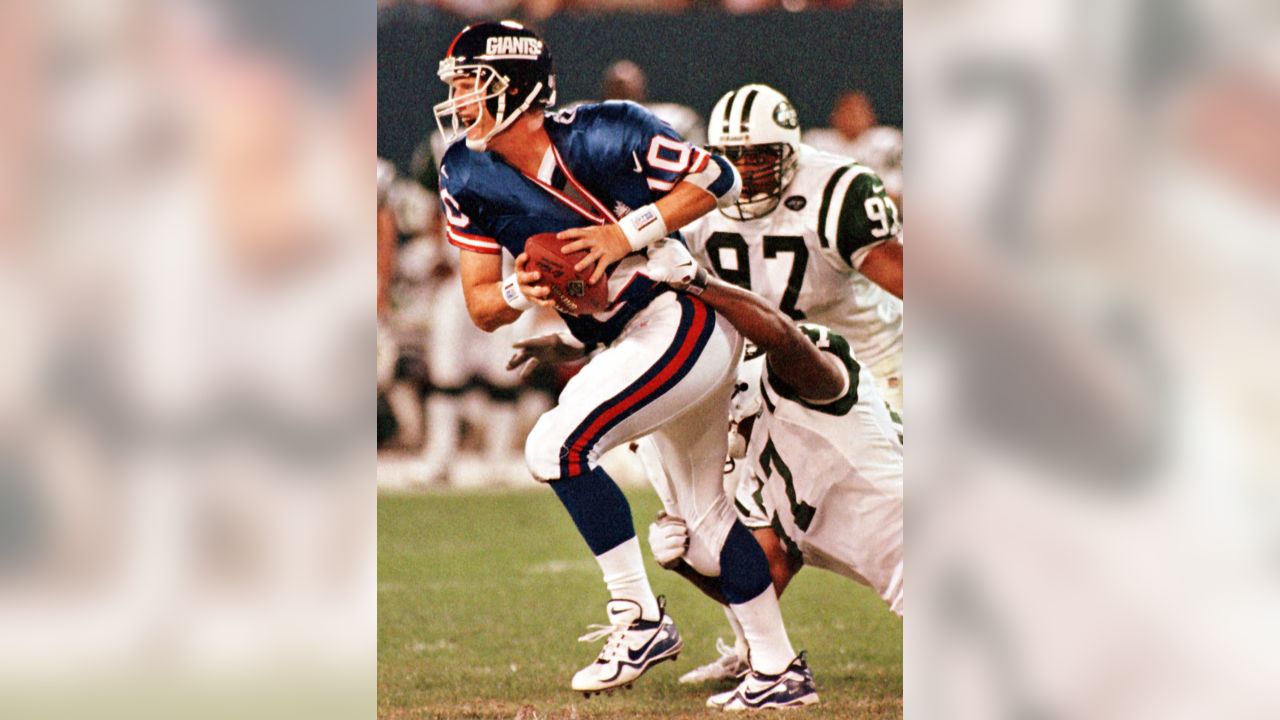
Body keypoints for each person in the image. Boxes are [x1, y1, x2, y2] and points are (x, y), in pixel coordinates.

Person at [433, 21, 810, 704]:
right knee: (705, 517)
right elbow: (482, 304)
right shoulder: (465, 169)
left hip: (678, 316)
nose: (459, 101)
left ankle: (637, 618)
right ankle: (779, 670)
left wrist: (624, 232)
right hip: (631, 341)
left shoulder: (605, 131)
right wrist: (528, 288)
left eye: (469, 84)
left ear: (513, 87)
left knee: (556, 444)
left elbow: (716, 177)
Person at [643, 240, 904, 697]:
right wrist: (679, 564)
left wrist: (700, 282)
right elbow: (754, 584)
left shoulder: (798, 380)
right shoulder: (759, 477)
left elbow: (783, 338)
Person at [682, 84, 905, 423]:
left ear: (790, 152)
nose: (745, 172)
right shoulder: (692, 198)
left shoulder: (836, 191)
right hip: (767, 373)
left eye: (759, 157)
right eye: (733, 156)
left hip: (870, 366)